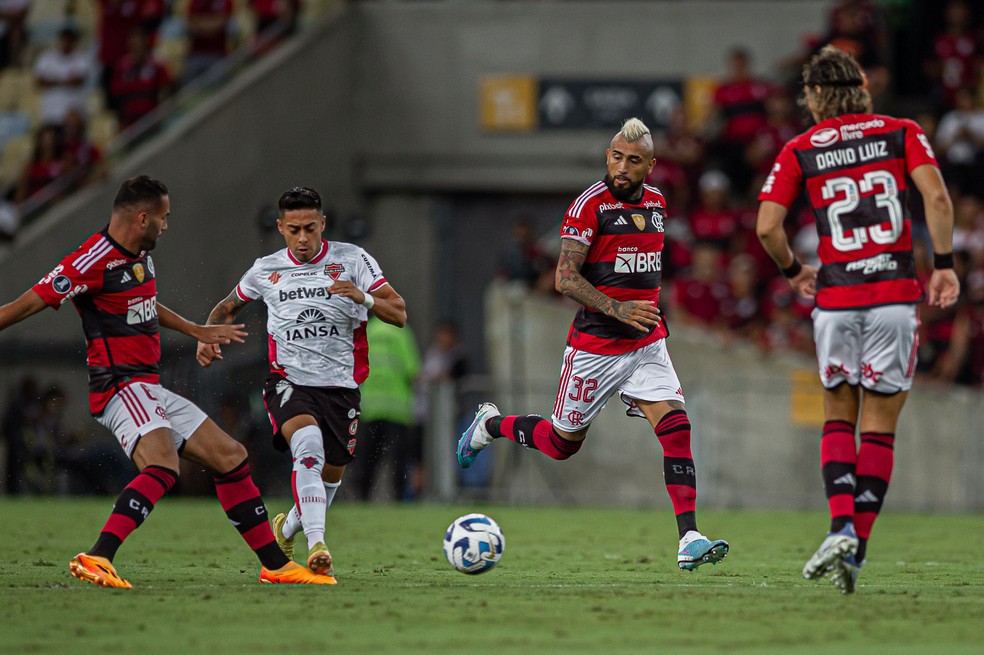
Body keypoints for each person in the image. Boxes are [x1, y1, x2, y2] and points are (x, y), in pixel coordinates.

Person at [0, 175, 333, 587]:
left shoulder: (139, 255)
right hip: (120, 386)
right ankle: (96, 557)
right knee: (161, 464)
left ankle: (276, 566)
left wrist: (196, 330)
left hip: (147, 385)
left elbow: (144, 303)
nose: (167, 225)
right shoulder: (89, 261)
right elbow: (27, 302)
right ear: (142, 218)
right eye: (164, 217)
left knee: (231, 457)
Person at [456, 118, 729, 572]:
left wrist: (649, 309)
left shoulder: (658, 203)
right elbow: (564, 278)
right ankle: (492, 425)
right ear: (608, 156)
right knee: (563, 445)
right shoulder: (589, 206)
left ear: (651, 165)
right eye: (616, 157)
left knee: (678, 429)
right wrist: (618, 309)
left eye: (633, 160)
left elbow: (643, 267)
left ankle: (689, 538)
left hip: (645, 344)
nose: (622, 167)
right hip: (595, 349)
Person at [756, 46, 960, 594]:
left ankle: (840, 524)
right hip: (894, 297)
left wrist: (796, 271)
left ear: (815, 96)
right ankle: (857, 547)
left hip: (838, 299)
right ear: (863, 89)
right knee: (881, 426)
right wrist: (943, 265)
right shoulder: (901, 131)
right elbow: (936, 198)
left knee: (837, 414)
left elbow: (767, 227)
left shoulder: (801, 147)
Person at [196, 186, 407, 580]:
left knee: (331, 475)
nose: (303, 238)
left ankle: (288, 528)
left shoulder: (353, 259)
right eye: (294, 229)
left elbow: (398, 312)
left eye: (311, 228)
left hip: (341, 388)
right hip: (288, 382)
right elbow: (226, 307)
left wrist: (363, 298)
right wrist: (207, 338)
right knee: (306, 446)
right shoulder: (265, 269)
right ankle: (318, 546)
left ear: (323, 223)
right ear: (281, 228)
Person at [350, 316, 421, 501]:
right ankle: (397, 499)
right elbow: (412, 370)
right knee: (397, 460)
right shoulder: (402, 332)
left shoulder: (367, 331)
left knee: (366, 459)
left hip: (370, 407)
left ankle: (362, 499)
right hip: (398, 410)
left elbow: (353, 368)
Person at [34, 25, 93, 128]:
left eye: (70, 40)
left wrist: (53, 80)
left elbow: (79, 81)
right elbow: (39, 82)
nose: (66, 43)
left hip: (73, 116)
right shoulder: (47, 57)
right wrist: (66, 81)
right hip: (50, 114)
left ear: (75, 42)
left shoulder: (81, 58)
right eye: (64, 39)